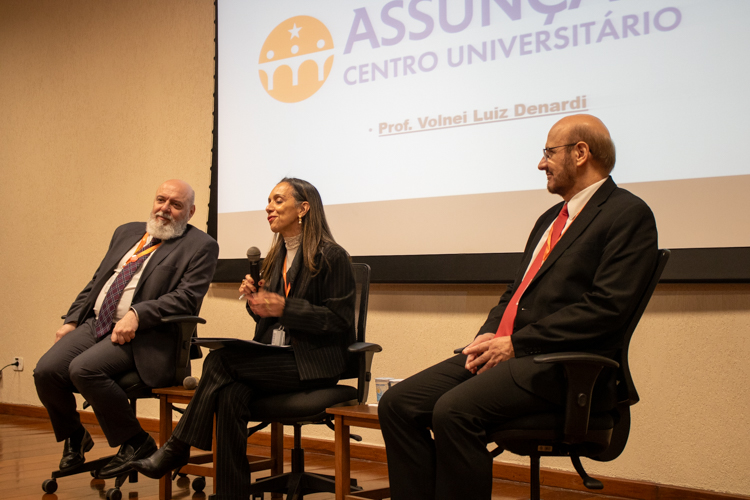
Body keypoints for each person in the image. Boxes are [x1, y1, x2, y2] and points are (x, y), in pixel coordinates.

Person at [378, 114, 659, 500]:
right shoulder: (550, 219)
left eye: (549, 152)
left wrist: (516, 344)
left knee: (453, 411)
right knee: (397, 404)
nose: (541, 163)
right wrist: (489, 332)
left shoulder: (627, 214)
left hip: (559, 366)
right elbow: (516, 292)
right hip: (510, 352)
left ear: (581, 153)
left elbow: (606, 309)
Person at [131, 177, 356, 500]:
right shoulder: (275, 257)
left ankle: (177, 447)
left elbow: (339, 321)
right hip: (276, 357)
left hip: (313, 362)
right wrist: (258, 305)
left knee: (221, 359)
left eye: (278, 200)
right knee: (230, 393)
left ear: (304, 208)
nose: (268, 207)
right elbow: (272, 319)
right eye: (268, 200)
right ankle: (230, 494)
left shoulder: (332, 256)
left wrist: (284, 306)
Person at [33, 179, 219, 479]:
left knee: (83, 369)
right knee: (46, 370)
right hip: (97, 323)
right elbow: (97, 282)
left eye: (176, 205)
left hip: (148, 335)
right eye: (161, 200)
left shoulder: (201, 246)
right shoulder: (127, 232)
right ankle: (75, 435)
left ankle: (137, 442)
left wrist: (137, 313)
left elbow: (186, 298)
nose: (165, 209)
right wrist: (71, 320)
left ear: (191, 211)